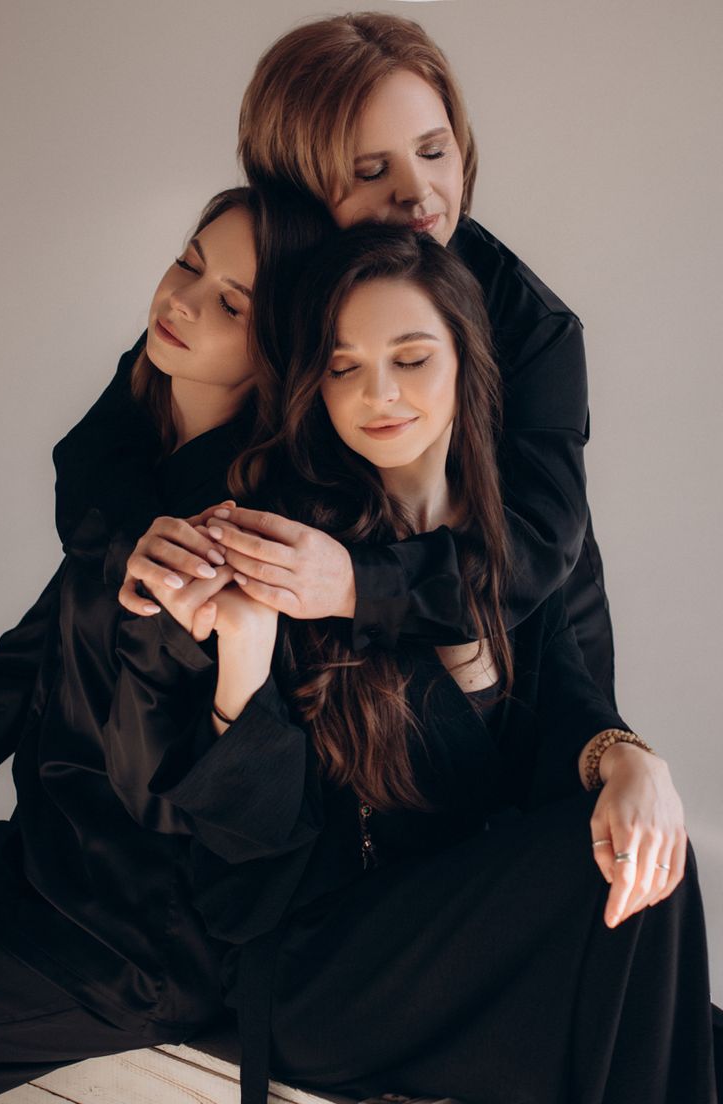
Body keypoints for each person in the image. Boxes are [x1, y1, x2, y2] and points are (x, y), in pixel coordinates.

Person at [112, 226, 716, 1104]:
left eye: (410, 358)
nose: (377, 394)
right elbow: (243, 882)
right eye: (344, 366)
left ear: (466, 362)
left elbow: (568, 707)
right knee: (622, 888)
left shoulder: (516, 544)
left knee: (651, 847)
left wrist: (630, 759)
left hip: (471, 939)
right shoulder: (285, 542)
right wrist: (243, 655)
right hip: (322, 974)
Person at [117, 10, 614, 705]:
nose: (418, 193)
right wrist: (135, 552)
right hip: (344, 696)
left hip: (528, 677)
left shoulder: (536, 329)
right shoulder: (266, 279)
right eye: (373, 170)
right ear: (300, 190)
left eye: (434, 151)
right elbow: (107, 443)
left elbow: (535, 555)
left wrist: (353, 583)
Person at [0, 185, 333, 1099]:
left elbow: (172, 805)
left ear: (280, 347)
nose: (181, 301)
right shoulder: (129, 468)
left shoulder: (237, 530)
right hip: (35, 863)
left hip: (127, 943)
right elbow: (27, 661)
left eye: (231, 303)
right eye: (189, 262)